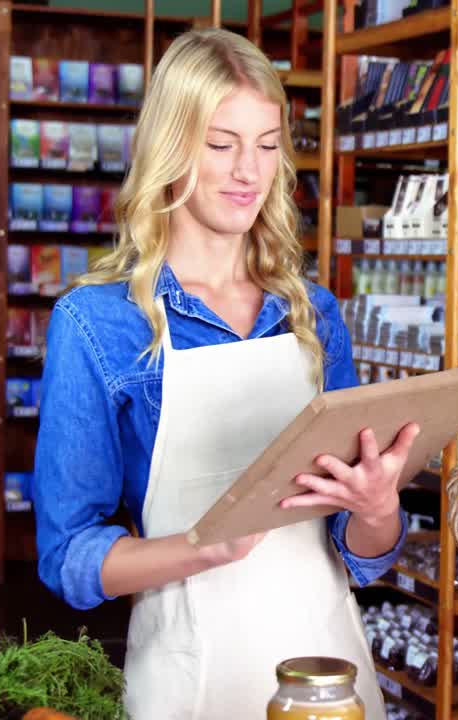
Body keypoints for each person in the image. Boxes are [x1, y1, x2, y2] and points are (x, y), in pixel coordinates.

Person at [32, 28, 414, 720]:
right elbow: (70, 556)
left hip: (328, 680)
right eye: (221, 143)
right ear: (171, 147)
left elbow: (362, 556)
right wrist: (204, 546)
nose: (248, 170)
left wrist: (377, 507)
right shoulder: (97, 324)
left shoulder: (313, 315)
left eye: (267, 145)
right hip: (190, 676)